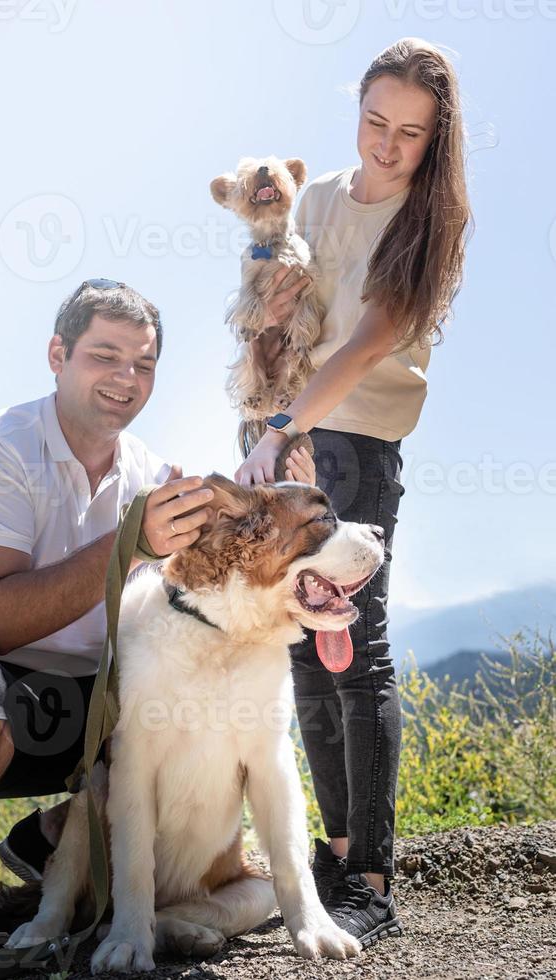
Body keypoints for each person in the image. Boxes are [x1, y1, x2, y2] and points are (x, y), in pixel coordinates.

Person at [0, 278, 315, 946]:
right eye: (105, 354)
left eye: (144, 363)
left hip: (76, 710)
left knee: (187, 688)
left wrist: (272, 503)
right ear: (57, 355)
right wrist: (134, 542)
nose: (127, 376)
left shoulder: (153, 473)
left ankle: (56, 834)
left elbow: (201, 594)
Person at [235, 38, 472, 949]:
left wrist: (291, 427)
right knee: (303, 646)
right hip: (275, 429)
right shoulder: (320, 198)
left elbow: (371, 341)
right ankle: (331, 858)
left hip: (353, 441)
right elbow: (278, 318)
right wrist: (269, 329)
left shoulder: (429, 220)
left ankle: (372, 874)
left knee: (355, 649)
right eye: (375, 121)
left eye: (409, 133)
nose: (386, 144)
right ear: (358, 112)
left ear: (434, 140)